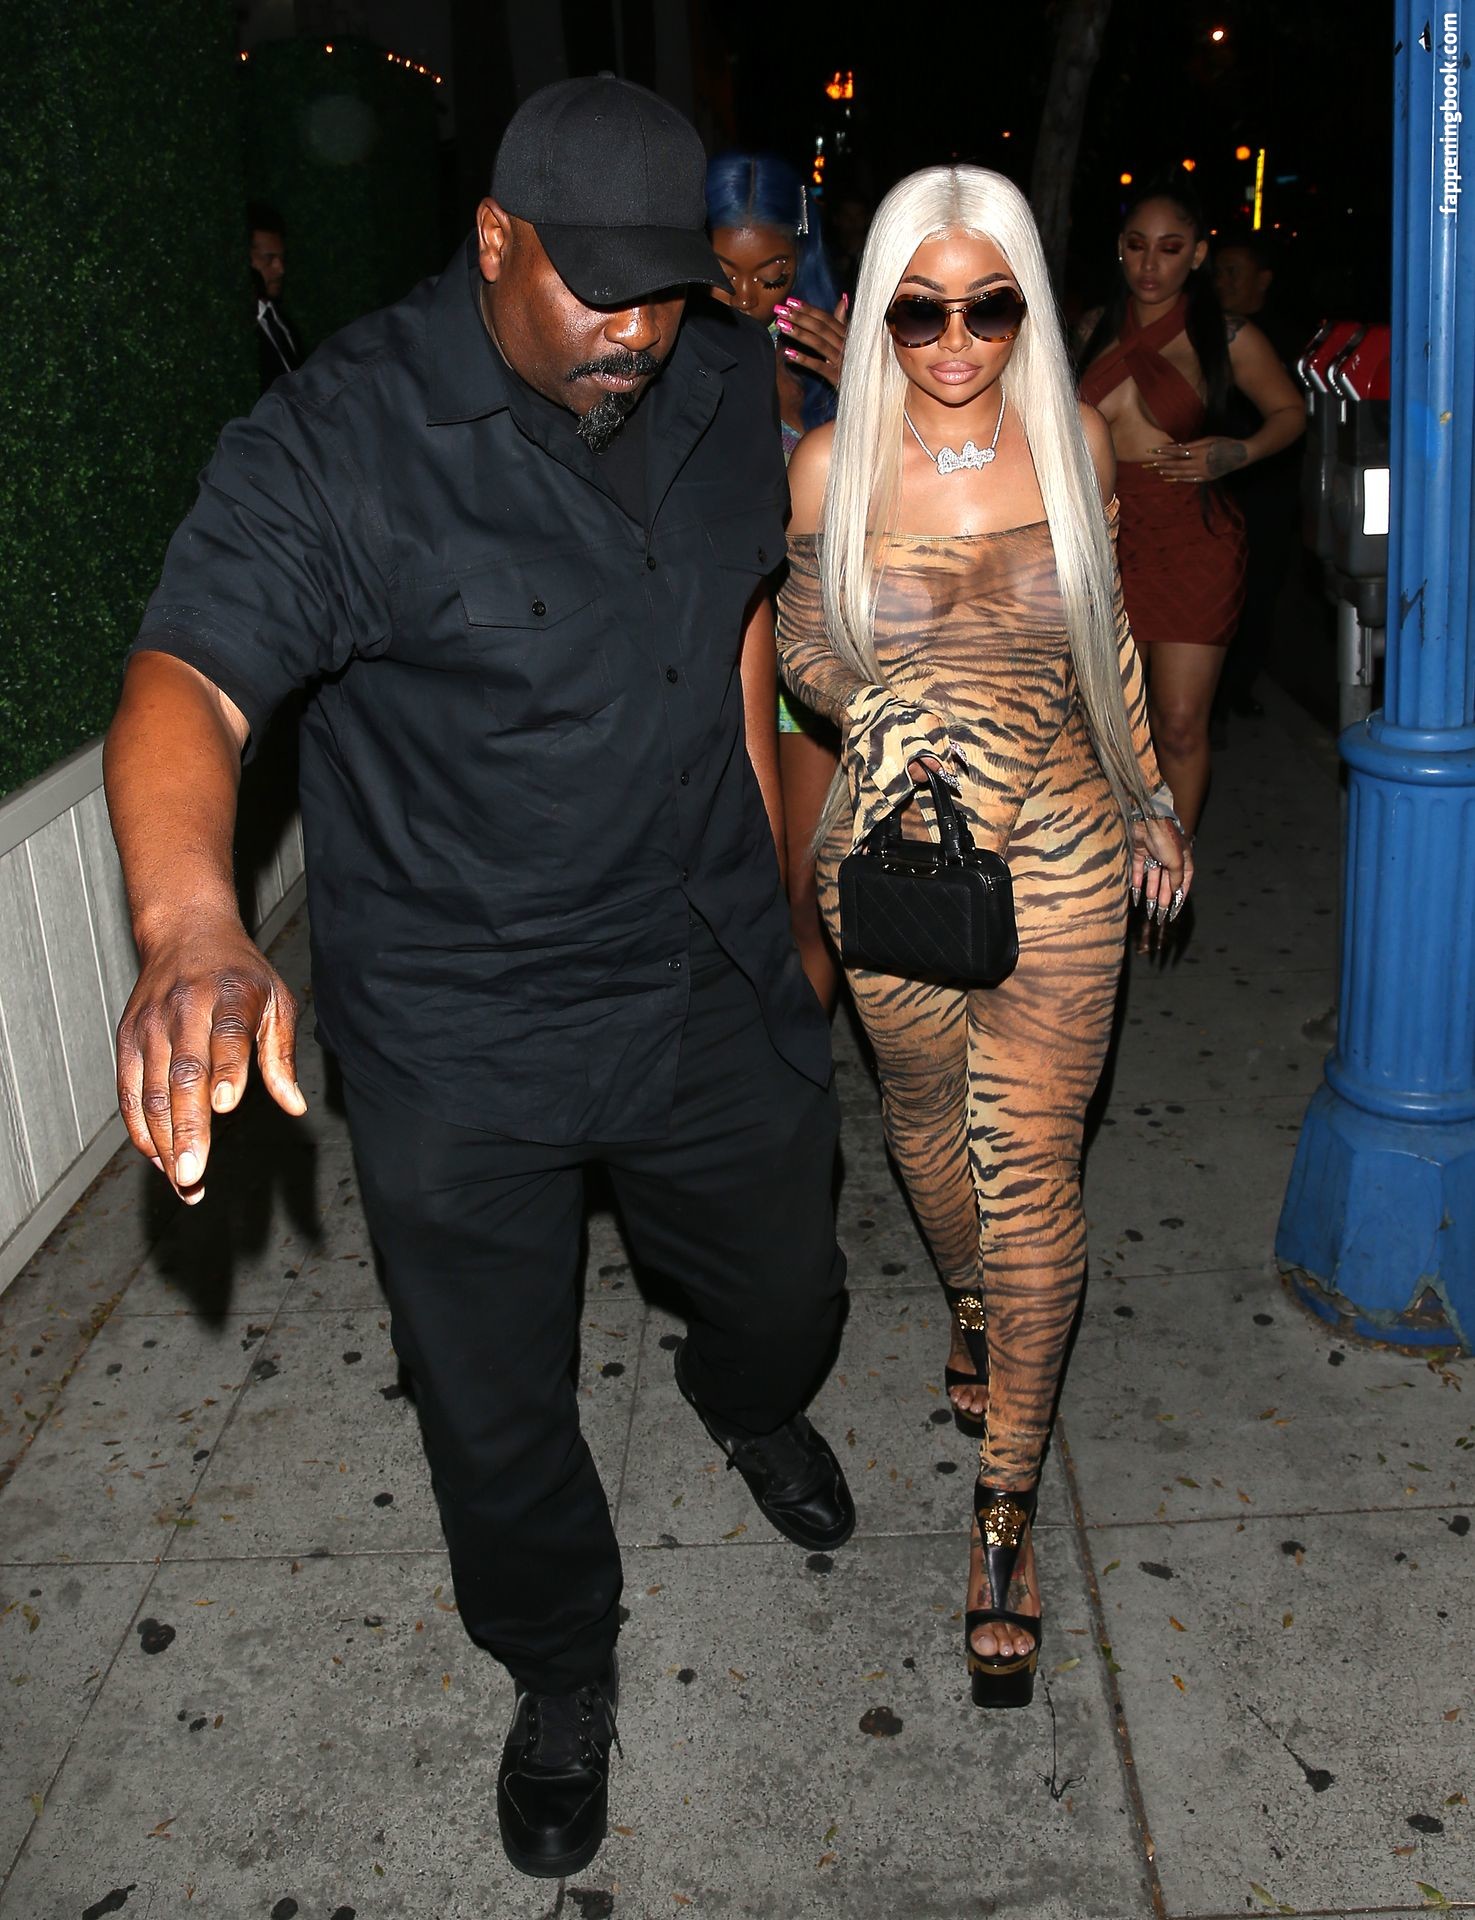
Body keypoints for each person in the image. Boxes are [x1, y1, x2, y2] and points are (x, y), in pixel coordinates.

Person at [104, 77, 854, 1881]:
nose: (636, 329)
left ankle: (742, 1395)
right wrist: (191, 926)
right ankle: (558, 1661)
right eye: (595, 287)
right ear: (494, 241)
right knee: (492, 1399)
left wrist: (786, 885)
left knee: (788, 1296)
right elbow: (187, 684)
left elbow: (733, 630)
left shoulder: (715, 379)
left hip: (700, 965)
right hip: (464, 1016)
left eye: (665, 286)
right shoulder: (339, 438)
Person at [776, 165, 1190, 1709]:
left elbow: (1104, 633)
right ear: (880, 309)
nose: (954, 342)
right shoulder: (833, 460)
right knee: (921, 1120)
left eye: (987, 307)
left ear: (1025, 303)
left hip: (1061, 842)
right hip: (892, 852)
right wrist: (884, 696)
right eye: (919, 311)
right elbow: (802, 638)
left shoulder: (1070, 437)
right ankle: (963, 1295)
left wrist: (1148, 795)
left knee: (1030, 1164)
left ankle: (1002, 1507)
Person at [1076, 178, 1303, 840]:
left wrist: (1237, 451)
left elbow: (1290, 413)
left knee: (1177, 725)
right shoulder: (1091, 328)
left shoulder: (1226, 335)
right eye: (1136, 245)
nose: (1150, 264)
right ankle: (1108, 867)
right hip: (1105, 536)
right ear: (1119, 248)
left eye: (1170, 248)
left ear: (1198, 254)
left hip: (1193, 538)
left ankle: (1168, 872)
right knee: (1108, 729)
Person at [705, 151, 849, 1011]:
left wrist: (859, 388)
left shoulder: (835, 354)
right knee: (735, 895)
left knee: (807, 894)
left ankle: (799, 1074)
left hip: (813, 652)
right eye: (725, 273)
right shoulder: (657, 349)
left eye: (774, 276)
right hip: (713, 655)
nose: (749, 298)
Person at [1212, 236, 1306, 718]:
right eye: (1219, 271)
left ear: (1263, 279)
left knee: (1259, 589)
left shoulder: (1285, 338)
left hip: (1266, 487)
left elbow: (1296, 416)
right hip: (1212, 488)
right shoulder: (1206, 332)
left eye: (1234, 271)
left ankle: (1238, 687)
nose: (1223, 281)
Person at [248, 202, 302, 392]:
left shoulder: (282, 323)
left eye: (281, 258)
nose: (280, 269)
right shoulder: (240, 328)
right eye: (268, 258)